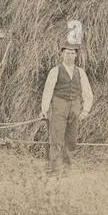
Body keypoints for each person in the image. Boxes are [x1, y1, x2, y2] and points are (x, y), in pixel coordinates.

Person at [38, 41, 94, 172]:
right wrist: (44, 109)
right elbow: (48, 91)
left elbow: (87, 92)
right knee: (57, 138)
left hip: (75, 107)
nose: (69, 56)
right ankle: (55, 169)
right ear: (62, 54)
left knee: (71, 139)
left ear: (76, 56)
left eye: (72, 53)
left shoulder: (80, 72)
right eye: (67, 53)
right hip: (59, 106)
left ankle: (67, 169)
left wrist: (86, 109)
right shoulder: (55, 71)